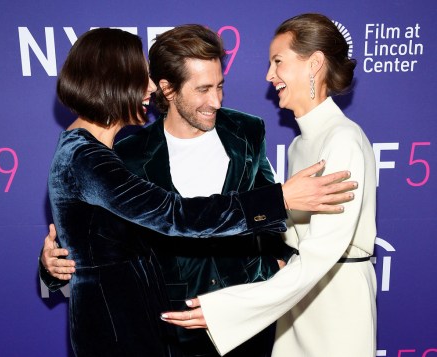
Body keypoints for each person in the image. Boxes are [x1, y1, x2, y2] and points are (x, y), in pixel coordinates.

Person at [41, 25, 358, 356]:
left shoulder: (245, 131)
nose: (216, 100)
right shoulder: (108, 157)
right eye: (203, 88)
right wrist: (281, 198)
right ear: (168, 89)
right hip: (162, 326)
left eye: (220, 86)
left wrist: (274, 260)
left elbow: (93, 234)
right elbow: (174, 216)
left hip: (243, 318)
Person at [162, 13, 377, 357]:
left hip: (336, 303)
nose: (269, 75)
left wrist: (229, 306)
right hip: (296, 301)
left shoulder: (344, 140)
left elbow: (321, 251)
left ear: (314, 64)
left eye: (278, 62)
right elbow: (284, 233)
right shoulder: (298, 145)